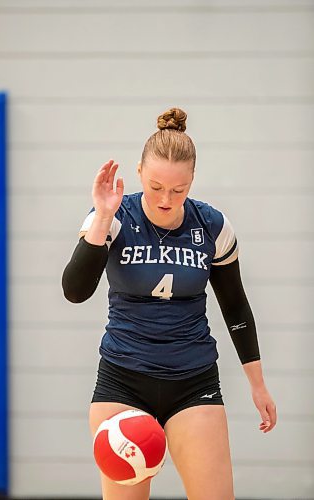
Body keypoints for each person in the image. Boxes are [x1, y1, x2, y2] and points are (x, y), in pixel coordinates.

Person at [62, 108, 277, 500]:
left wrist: (257, 384)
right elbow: (74, 291)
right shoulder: (112, 216)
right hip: (122, 382)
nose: (166, 199)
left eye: (178, 190)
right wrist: (102, 218)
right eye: (156, 186)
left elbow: (236, 306)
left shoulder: (211, 226)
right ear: (140, 171)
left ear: (192, 180)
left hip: (193, 382)